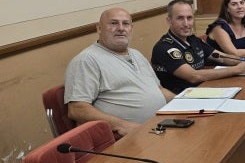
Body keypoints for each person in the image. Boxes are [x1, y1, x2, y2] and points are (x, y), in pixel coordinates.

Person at [64, 8, 175, 137]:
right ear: (99, 29)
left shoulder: (136, 54)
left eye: (126, 24)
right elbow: (77, 109)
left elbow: (159, 90)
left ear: (131, 28)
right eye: (114, 23)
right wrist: (122, 125)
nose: (121, 28)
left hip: (159, 127)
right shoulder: (87, 60)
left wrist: (185, 102)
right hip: (124, 138)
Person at [151, 0, 245, 94]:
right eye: (180, 18)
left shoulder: (193, 40)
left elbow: (222, 58)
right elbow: (194, 76)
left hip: (204, 90)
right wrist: (237, 69)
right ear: (169, 21)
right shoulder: (164, 47)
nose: (186, 24)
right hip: (182, 99)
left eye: (189, 18)